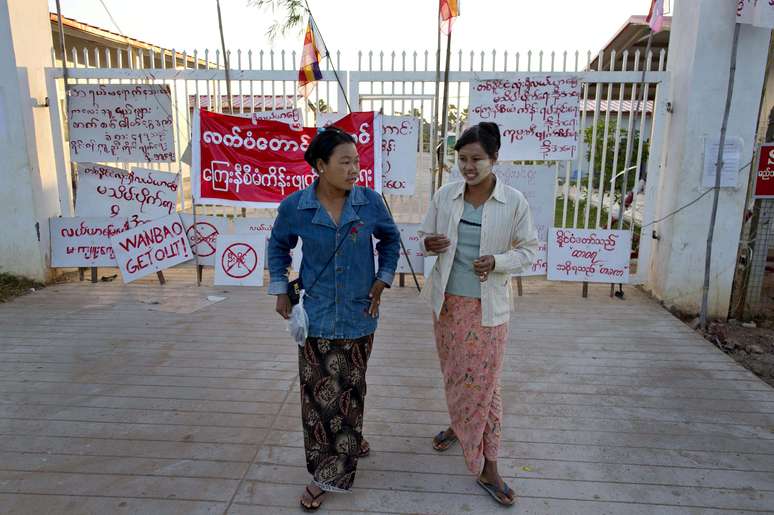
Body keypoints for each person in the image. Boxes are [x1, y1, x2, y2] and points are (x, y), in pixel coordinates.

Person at [267, 126, 401, 511]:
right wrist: (280, 288)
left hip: (361, 314)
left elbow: (390, 240)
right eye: (345, 162)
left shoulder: (370, 203)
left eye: (357, 161)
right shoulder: (296, 207)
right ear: (321, 166)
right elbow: (278, 245)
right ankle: (327, 473)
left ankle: (348, 445)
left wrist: (382, 280)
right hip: (318, 317)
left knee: (352, 389)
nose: (354, 169)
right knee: (320, 397)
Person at [419, 122, 538, 507]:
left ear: (494, 159)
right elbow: (426, 238)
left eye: (477, 160)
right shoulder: (446, 195)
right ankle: (461, 425)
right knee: (455, 374)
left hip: (488, 310)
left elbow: (529, 251)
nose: (468, 167)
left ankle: (489, 466)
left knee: (487, 385)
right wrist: (430, 243)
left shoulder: (513, 202)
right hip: (448, 304)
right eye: (462, 159)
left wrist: (498, 261)